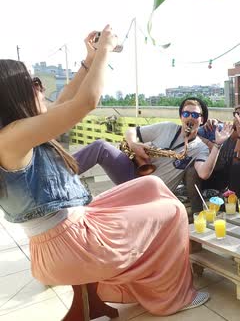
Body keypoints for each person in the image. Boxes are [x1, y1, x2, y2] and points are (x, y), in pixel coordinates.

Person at [0, 27, 208, 316]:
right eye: (34, 82)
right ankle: (171, 296)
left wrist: (90, 59)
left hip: (67, 235)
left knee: (152, 187)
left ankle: (141, 283)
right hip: (70, 246)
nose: (41, 88)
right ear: (14, 93)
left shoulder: (19, 131)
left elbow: (67, 101)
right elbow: (85, 103)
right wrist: (106, 50)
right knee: (173, 212)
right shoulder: (10, 138)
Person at [72, 97, 232, 214]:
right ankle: (59, 173)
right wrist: (134, 144)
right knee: (100, 146)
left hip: (153, 191)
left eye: (196, 115)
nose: (191, 117)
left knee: (152, 181)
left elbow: (204, 173)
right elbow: (131, 131)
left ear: (202, 120)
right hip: (133, 174)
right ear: (181, 117)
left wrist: (217, 145)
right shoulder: (166, 127)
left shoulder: (200, 149)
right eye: (186, 113)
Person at [196, 104, 240, 193]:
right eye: (236, 114)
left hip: (221, 182)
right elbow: (190, 135)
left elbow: (236, 168)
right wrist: (209, 143)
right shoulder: (218, 129)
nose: (238, 118)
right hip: (201, 172)